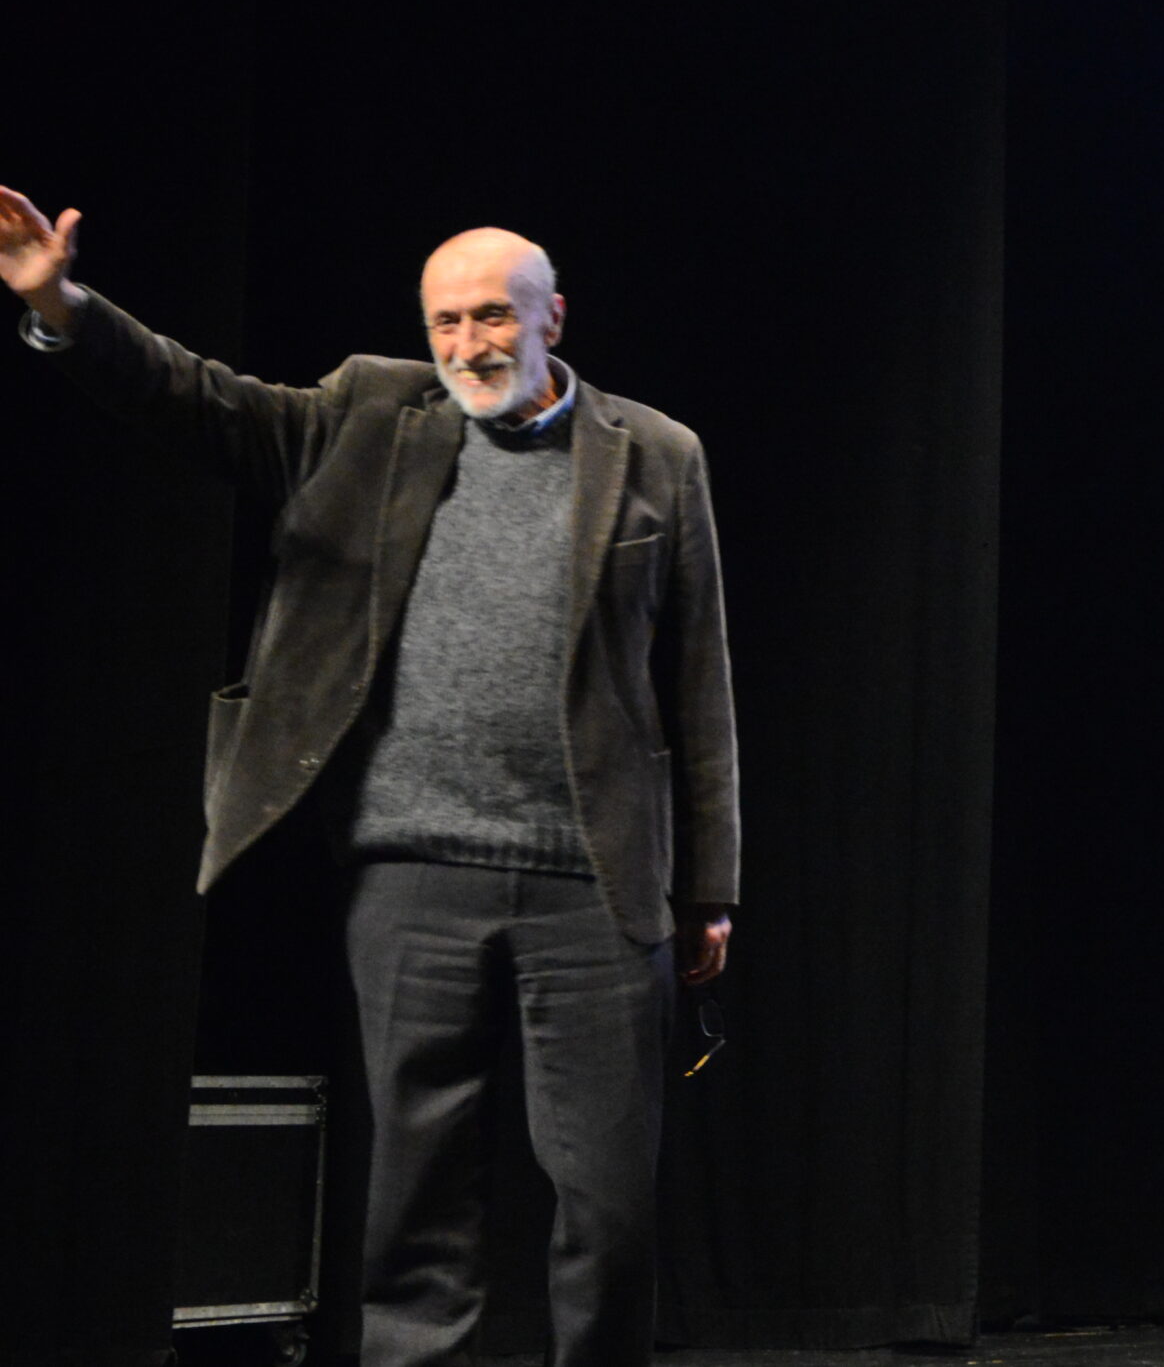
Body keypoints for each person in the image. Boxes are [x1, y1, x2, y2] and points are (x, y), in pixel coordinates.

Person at [1, 188, 740, 1367]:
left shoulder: (655, 454)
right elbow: (204, 401)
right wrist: (64, 307)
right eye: (445, 322)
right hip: (410, 874)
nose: (467, 346)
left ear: (555, 318)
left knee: (608, 1205)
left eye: (493, 318)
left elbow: (697, 679)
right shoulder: (367, 411)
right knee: (414, 1198)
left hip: (593, 884)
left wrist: (709, 884)